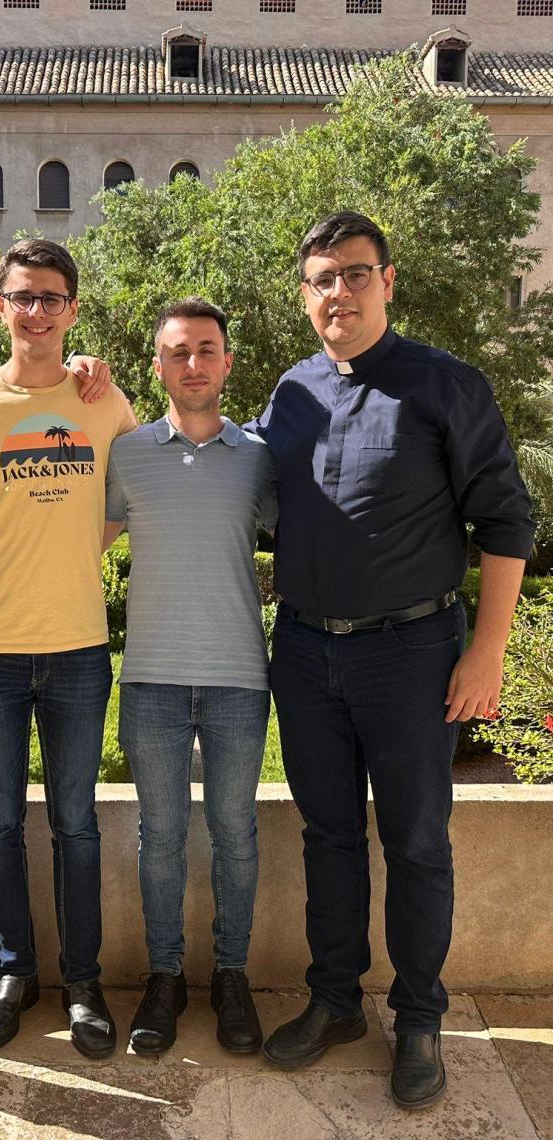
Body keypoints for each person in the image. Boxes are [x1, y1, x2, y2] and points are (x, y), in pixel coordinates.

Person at [247, 212, 535, 1109]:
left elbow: (506, 521)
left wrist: (485, 650)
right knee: (327, 836)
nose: (339, 291)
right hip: (301, 651)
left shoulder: (445, 385)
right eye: (323, 279)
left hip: (411, 654)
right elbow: (231, 485)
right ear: (305, 296)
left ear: (387, 281)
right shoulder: (288, 395)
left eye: (355, 274)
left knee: (414, 843)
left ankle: (418, 1018)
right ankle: (334, 1000)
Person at [0, 239, 137, 1059]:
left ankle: (81, 982)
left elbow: (130, 493)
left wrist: (82, 545)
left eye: (53, 298)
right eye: (24, 297)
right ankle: (14, 976)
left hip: (80, 646)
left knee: (78, 823)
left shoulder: (104, 403)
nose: (38, 311)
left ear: (72, 310)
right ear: (1, 307)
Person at [104, 298, 278, 1056]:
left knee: (236, 834)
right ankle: (165, 978)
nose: (194, 364)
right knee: (161, 836)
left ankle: (231, 977)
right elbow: (77, 533)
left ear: (227, 361)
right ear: (159, 366)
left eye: (207, 350)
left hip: (240, 677)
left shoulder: (262, 457)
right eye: (178, 352)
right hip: (150, 679)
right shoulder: (128, 453)